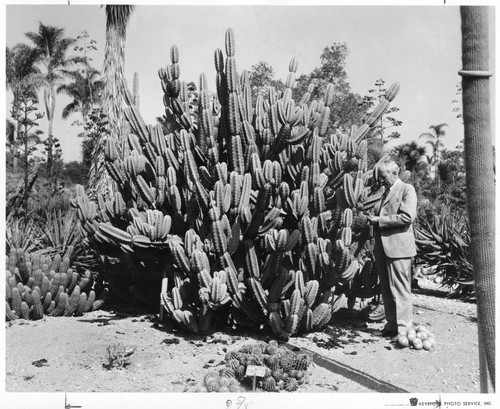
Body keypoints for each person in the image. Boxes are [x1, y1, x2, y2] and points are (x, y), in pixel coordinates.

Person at [368, 159, 418, 339]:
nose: (380, 180)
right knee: (387, 288)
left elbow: (406, 217)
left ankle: (404, 329)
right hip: (383, 246)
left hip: (399, 248)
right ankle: (391, 325)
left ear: (394, 173)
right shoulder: (384, 192)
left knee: (401, 288)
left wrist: (378, 221)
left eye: (383, 176)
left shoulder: (407, 189)